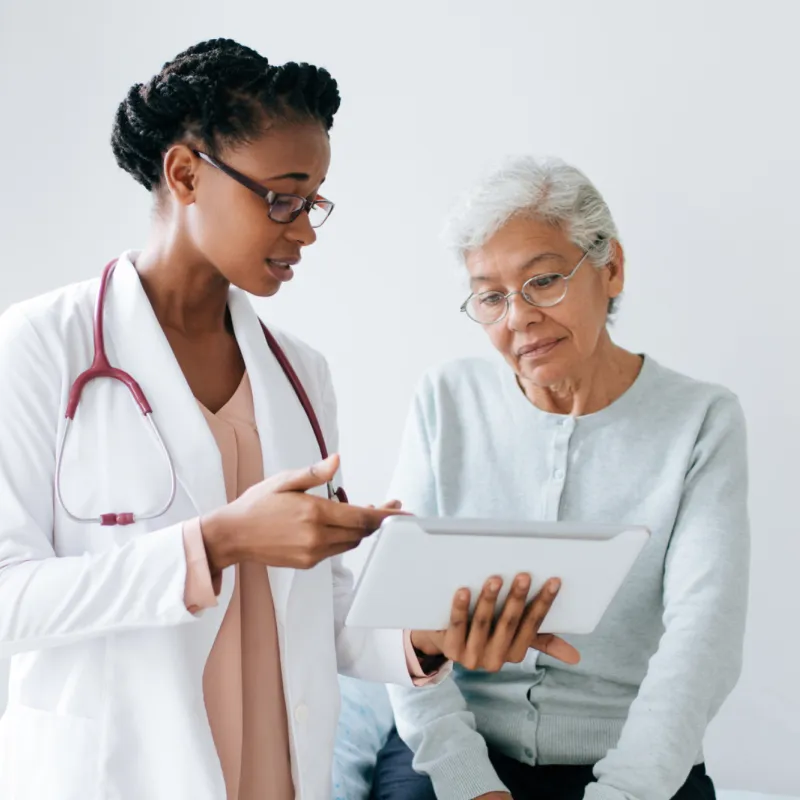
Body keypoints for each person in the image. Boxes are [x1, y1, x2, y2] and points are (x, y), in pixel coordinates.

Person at [0, 43, 577, 800]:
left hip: (275, 771)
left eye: (314, 203)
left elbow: (319, 613)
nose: (305, 231)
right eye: (282, 198)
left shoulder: (302, 375)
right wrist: (219, 541)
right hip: (118, 772)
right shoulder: (40, 347)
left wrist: (429, 635)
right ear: (185, 174)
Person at [375, 157, 749, 800]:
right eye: (490, 295)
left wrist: (624, 791)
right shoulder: (446, 401)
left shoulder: (701, 420)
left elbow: (702, 643)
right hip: (458, 745)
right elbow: (397, 619)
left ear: (612, 269)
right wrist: (470, 783)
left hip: (635, 760)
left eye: (543, 280)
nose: (517, 317)